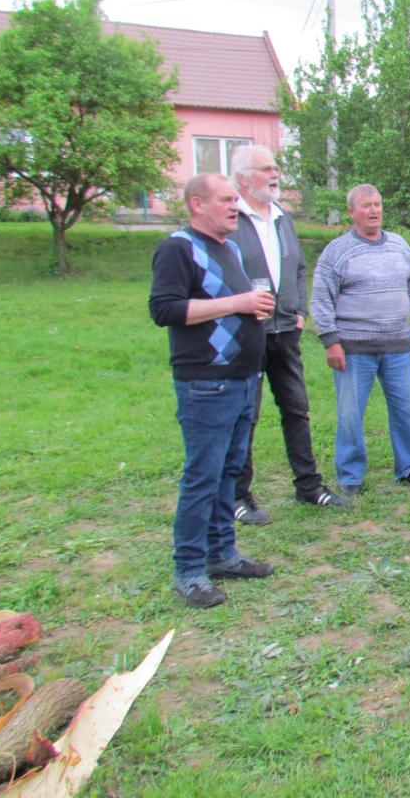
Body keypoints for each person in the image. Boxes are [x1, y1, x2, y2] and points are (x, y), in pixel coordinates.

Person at [149, 173, 276, 608]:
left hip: (243, 377)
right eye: (225, 199)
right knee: (202, 476)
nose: (234, 206)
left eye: (235, 199)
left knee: (228, 472)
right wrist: (238, 303)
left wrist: (251, 310)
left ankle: (222, 554)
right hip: (206, 381)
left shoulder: (231, 248)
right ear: (197, 204)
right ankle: (188, 571)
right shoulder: (178, 248)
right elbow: (163, 309)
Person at [229, 145, 348, 522]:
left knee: (296, 408)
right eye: (266, 169)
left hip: (285, 331)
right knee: (245, 413)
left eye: (275, 167)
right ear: (243, 178)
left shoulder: (282, 217)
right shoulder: (232, 218)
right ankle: (237, 495)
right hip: (245, 331)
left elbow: (297, 268)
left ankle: (309, 486)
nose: (275, 174)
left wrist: (299, 311)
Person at [310, 184, 410, 499]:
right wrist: (330, 341)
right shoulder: (337, 251)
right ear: (351, 211)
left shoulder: (399, 246)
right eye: (366, 205)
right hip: (354, 349)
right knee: (350, 414)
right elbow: (321, 299)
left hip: (398, 346)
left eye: (377, 204)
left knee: (406, 408)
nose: (374, 210)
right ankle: (351, 475)